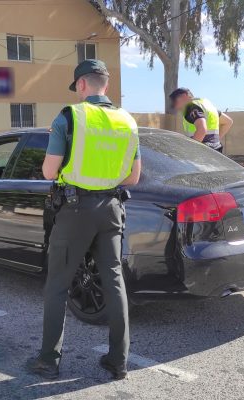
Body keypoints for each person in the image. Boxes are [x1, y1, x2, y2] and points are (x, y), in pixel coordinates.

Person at [25, 60, 141, 381]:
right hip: (112, 208)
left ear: (81, 85)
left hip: (75, 210)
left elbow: (49, 171)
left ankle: (48, 361)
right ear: (106, 84)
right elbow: (133, 176)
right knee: (114, 282)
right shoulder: (128, 121)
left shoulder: (70, 116)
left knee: (58, 285)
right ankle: (118, 361)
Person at [169, 88, 234, 152]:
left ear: (184, 95)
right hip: (215, 152)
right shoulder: (208, 106)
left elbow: (202, 130)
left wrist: (191, 151)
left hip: (202, 153)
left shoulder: (190, 107)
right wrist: (214, 142)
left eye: (175, 102)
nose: (175, 107)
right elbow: (228, 122)